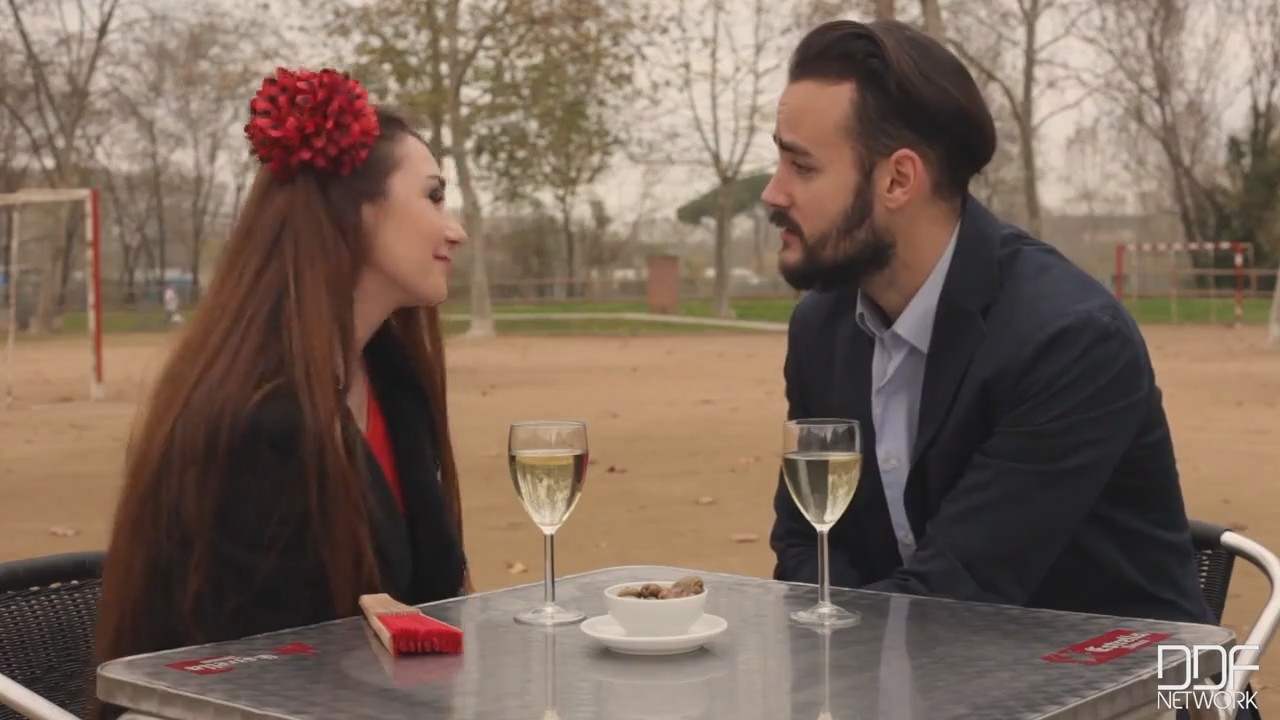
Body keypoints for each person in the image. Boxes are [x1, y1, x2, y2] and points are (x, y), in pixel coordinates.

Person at [764, 20, 1213, 627]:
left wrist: (842, 643)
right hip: (914, 665)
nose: (774, 192)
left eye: (802, 166)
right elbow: (806, 546)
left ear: (898, 179)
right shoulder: (821, 328)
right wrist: (831, 639)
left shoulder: (1070, 341)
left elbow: (962, 592)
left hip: (1120, 673)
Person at [92, 67, 471, 704]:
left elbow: (433, 600)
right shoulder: (257, 421)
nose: (455, 229)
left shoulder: (392, 381)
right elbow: (265, 674)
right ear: (356, 213)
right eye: (433, 197)